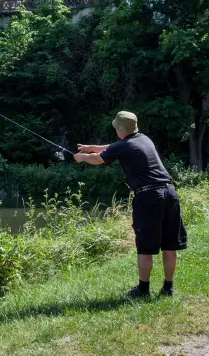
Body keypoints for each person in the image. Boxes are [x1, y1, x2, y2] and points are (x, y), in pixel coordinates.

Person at [74, 111, 187, 298]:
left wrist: (83, 157)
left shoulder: (123, 146)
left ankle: (143, 290)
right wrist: (91, 147)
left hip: (149, 196)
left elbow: (100, 158)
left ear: (120, 129)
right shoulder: (143, 139)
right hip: (170, 193)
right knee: (169, 245)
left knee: (145, 246)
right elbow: (114, 147)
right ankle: (168, 288)